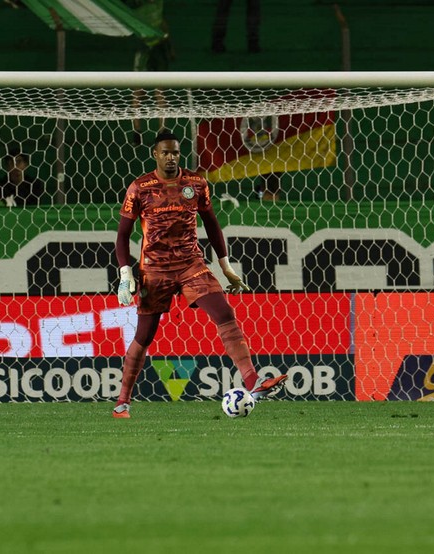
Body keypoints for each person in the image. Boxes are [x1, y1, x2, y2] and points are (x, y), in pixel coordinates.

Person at [111, 131, 287, 418]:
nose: (171, 157)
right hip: (155, 269)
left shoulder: (195, 183)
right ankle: (122, 402)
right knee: (144, 334)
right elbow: (122, 235)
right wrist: (125, 274)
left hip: (191, 265)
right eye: (165, 152)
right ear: (155, 154)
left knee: (225, 314)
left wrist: (226, 266)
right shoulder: (139, 188)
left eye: (176, 153)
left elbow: (212, 224)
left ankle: (254, 383)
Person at [124, 0, 172, 144]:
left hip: (159, 47)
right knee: (138, 91)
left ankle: (162, 130)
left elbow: (161, 20)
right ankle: (137, 132)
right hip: (143, 45)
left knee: (160, 90)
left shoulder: (158, 5)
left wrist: (170, 45)